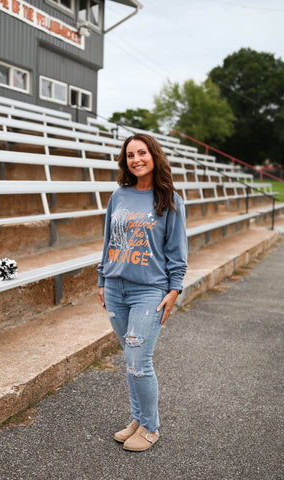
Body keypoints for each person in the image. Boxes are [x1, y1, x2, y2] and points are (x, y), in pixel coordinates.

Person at [97, 133, 188, 452]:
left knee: (139, 360)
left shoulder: (171, 199)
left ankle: (150, 428)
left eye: (142, 153)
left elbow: (177, 251)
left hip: (149, 291)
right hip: (115, 288)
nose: (136, 159)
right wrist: (101, 279)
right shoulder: (119, 195)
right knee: (130, 359)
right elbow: (108, 239)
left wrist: (175, 289)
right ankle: (138, 418)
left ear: (154, 156)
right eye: (130, 155)